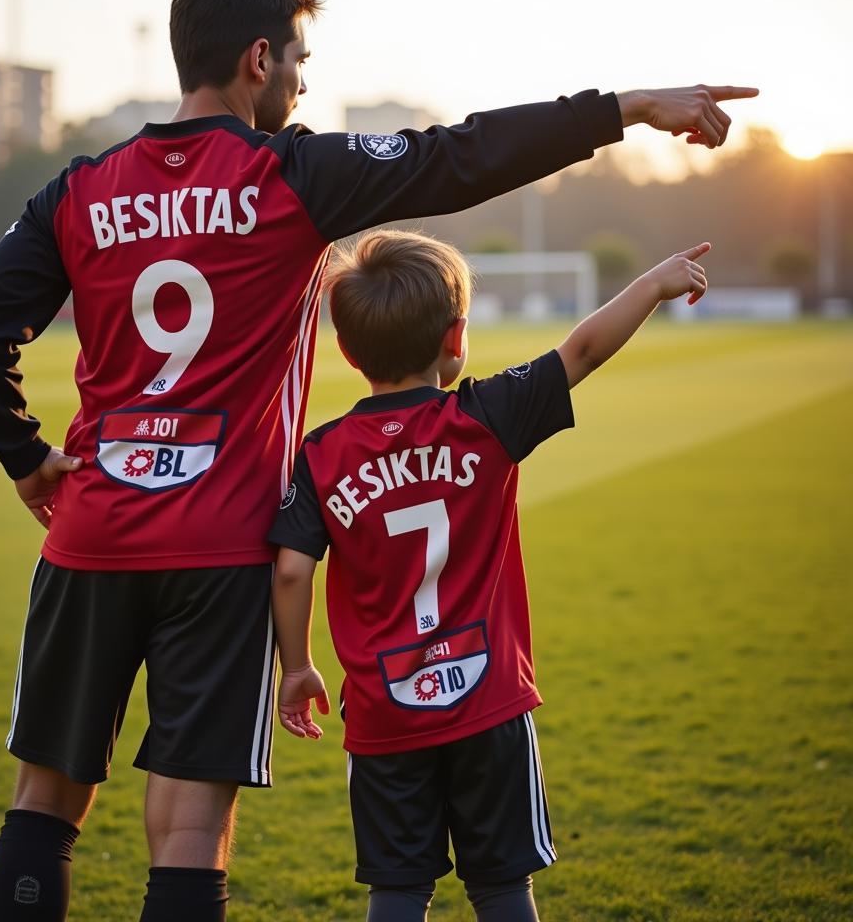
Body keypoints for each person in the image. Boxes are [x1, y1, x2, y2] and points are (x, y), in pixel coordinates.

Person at [0, 0, 754, 922]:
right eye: (297, 58)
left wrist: (25, 453)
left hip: (92, 530)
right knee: (190, 826)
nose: (302, 79)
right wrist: (626, 106)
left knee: (44, 800)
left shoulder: (78, 189)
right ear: (257, 59)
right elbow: (461, 155)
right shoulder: (292, 174)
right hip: (220, 542)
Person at [267, 230, 713, 921]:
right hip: (489, 703)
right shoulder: (485, 418)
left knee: (398, 890)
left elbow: (292, 569)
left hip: (385, 715)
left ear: (349, 350)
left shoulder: (322, 455)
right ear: (457, 337)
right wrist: (654, 284)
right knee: (503, 887)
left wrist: (297, 667)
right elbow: (584, 350)